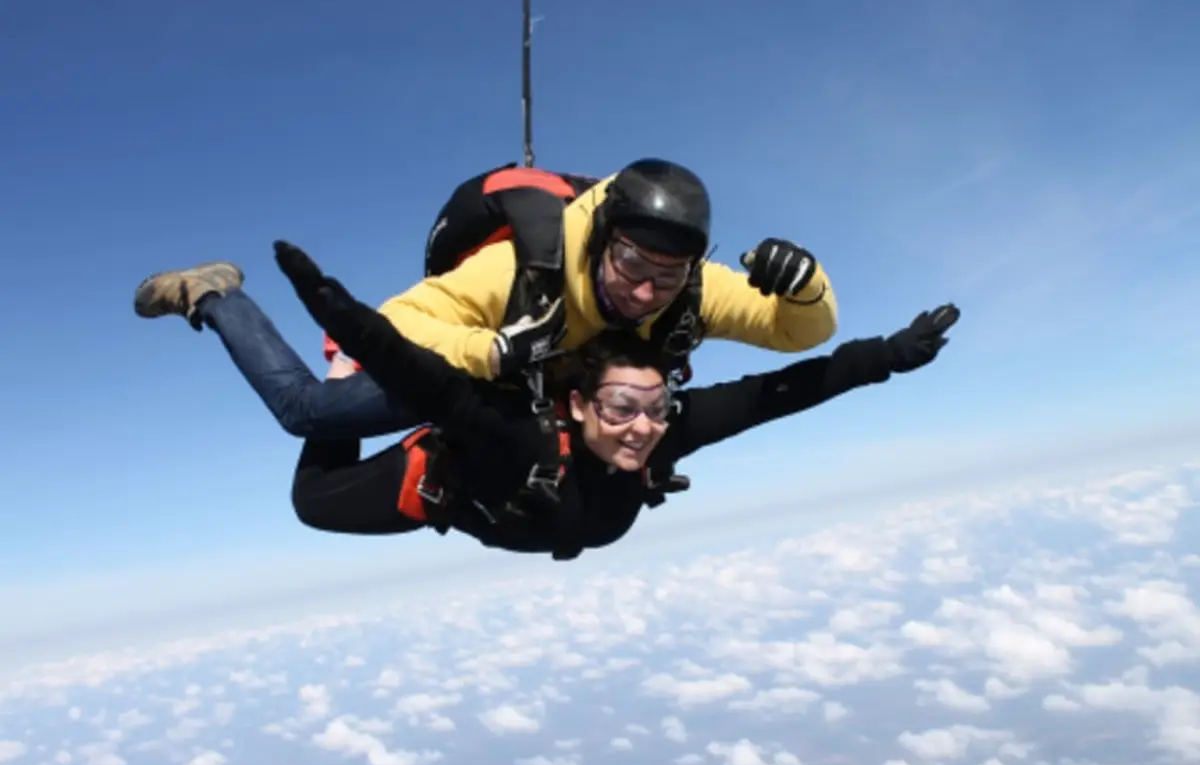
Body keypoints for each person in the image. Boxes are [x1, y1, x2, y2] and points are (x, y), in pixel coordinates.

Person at [275, 241, 959, 561]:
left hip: (526, 515)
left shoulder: (667, 432)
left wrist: (889, 357)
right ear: (576, 404)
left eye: (657, 407)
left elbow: (778, 394)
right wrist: (344, 318)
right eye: (624, 406)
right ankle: (230, 308)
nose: (642, 428)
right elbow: (428, 382)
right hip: (459, 485)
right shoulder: (519, 432)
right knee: (313, 502)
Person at [132, 159, 837, 450]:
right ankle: (215, 293)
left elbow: (794, 331)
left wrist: (807, 287)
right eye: (630, 264)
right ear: (600, 241)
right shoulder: (520, 270)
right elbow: (400, 320)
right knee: (311, 417)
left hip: (551, 386)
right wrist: (491, 351)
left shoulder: (691, 287)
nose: (647, 290)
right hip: (473, 362)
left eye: (671, 272)